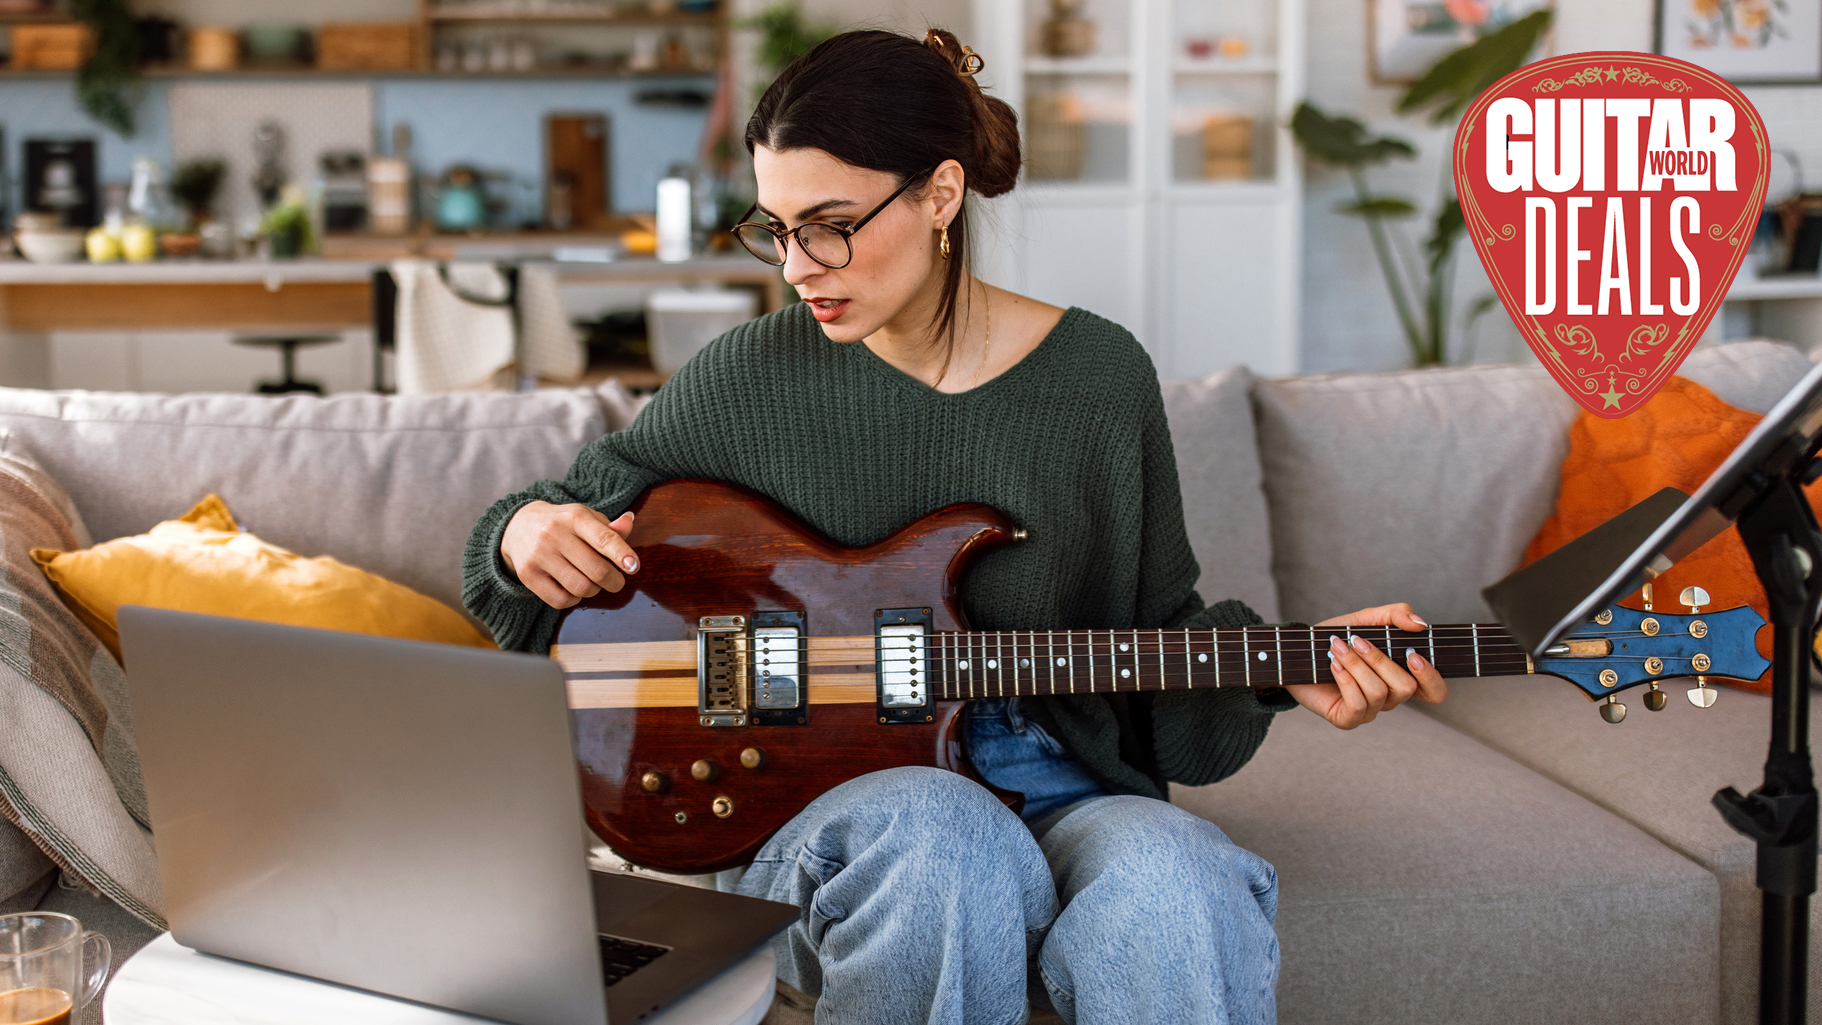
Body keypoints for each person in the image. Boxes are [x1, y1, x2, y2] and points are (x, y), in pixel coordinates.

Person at [463, 28, 1447, 1025]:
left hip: (1066, 790)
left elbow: (1155, 634)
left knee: (1176, 877)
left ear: (940, 194)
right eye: (778, 228)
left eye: (831, 226)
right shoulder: (747, 376)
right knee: (939, 833)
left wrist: (1280, 669)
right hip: (831, 808)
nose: (797, 267)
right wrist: (522, 534)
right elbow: (549, 546)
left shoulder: (1100, 380)